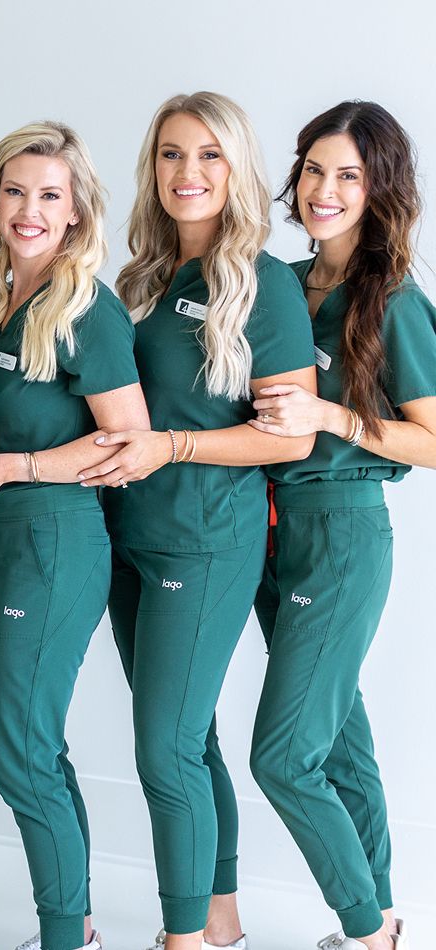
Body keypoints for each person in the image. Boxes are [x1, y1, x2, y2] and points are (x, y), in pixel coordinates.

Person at [98, 91, 316, 950]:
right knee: (191, 742)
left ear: (238, 169)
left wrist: (172, 448)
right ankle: (220, 916)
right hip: (124, 538)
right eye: (171, 156)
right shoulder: (140, 280)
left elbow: (286, 442)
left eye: (209, 156)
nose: (188, 174)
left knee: (164, 753)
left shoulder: (261, 286)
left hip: (205, 541)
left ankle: (183, 937)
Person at [0, 121, 150, 950]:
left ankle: (67, 938)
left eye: (49, 195)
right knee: (35, 746)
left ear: (76, 212)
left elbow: (126, 444)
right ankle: (79, 927)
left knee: (18, 754)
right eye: (15, 191)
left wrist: (10, 470)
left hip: (53, 543)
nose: (29, 210)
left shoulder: (85, 307)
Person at [247, 100, 434, 950]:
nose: (324, 189)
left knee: (282, 757)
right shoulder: (283, 283)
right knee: (342, 746)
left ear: (379, 188)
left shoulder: (391, 298)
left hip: (342, 538)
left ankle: (364, 930)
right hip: (271, 534)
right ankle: (384, 913)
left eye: (348, 175)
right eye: (315, 169)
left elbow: (434, 441)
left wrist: (335, 419)